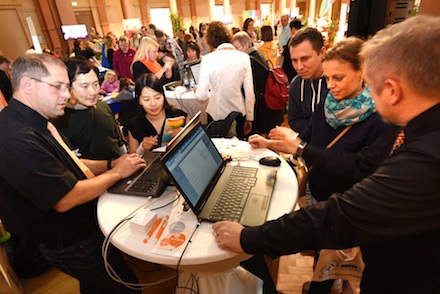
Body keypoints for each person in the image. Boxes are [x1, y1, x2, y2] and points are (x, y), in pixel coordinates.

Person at [212, 15, 440, 293]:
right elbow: (330, 147)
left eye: (371, 82)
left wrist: (249, 238)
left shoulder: (424, 157)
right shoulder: (413, 130)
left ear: (391, 90)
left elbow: (340, 215)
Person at [0, 53, 146, 293]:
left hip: (80, 230)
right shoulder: (17, 137)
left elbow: (70, 162)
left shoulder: (35, 121)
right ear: (27, 84)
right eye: (58, 87)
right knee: (126, 289)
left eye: (66, 87)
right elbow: (65, 198)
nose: (67, 95)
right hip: (70, 241)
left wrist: (110, 164)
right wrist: (117, 173)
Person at [52, 57, 126, 161]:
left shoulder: (103, 107)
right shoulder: (58, 122)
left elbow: (118, 142)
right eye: (84, 86)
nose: (93, 92)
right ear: (67, 87)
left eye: (95, 84)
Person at [195, 21, 255, 138]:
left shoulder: (208, 59)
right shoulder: (244, 57)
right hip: (238, 112)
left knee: (219, 151)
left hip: (216, 114)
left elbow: (201, 96)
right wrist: (250, 117)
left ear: (210, 40)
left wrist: (197, 91)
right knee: (239, 151)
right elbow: (249, 93)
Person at [231, 32, 283, 135]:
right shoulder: (258, 55)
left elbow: (249, 91)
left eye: (237, 48)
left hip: (261, 110)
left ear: (246, 45)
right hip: (269, 108)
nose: (235, 52)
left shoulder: (248, 61)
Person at [126, 73, 187, 154]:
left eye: (157, 97)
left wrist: (185, 134)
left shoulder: (179, 116)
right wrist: (142, 148)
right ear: (139, 100)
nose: (153, 104)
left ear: (163, 96)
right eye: (146, 99)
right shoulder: (135, 126)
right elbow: (133, 158)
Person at [288, 27, 328, 133]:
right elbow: (293, 121)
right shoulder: (296, 84)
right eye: (294, 60)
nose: (299, 67)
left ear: (322, 52)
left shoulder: (337, 82)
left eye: (305, 59)